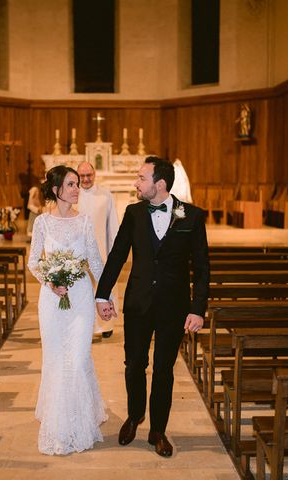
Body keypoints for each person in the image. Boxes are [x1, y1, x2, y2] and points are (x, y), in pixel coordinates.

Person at [95, 156, 209, 458]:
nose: (136, 183)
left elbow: (202, 268)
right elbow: (118, 255)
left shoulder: (193, 217)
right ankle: (135, 416)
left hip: (174, 306)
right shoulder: (133, 213)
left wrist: (197, 308)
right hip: (138, 303)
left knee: (163, 370)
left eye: (141, 178)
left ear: (159, 184)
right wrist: (101, 295)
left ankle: (158, 429)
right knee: (134, 365)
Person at [27, 165, 108, 455]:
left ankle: (80, 424)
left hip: (81, 300)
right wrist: (50, 281)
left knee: (78, 356)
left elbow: (95, 262)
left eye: (78, 184)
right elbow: (34, 261)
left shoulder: (84, 222)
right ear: (57, 188)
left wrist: (105, 296)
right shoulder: (42, 223)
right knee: (57, 359)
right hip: (51, 301)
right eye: (72, 184)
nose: (77, 189)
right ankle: (59, 426)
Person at [76, 161, 119, 338]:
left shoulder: (105, 194)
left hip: (101, 249)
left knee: (103, 285)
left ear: (95, 175)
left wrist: (114, 251)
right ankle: (82, 325)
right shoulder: (71, 193)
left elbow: (113, 224)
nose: (86, 179)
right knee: (81, 289)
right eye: (82, 176)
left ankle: (105, 325)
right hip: (77, 251)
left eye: (89, 175)